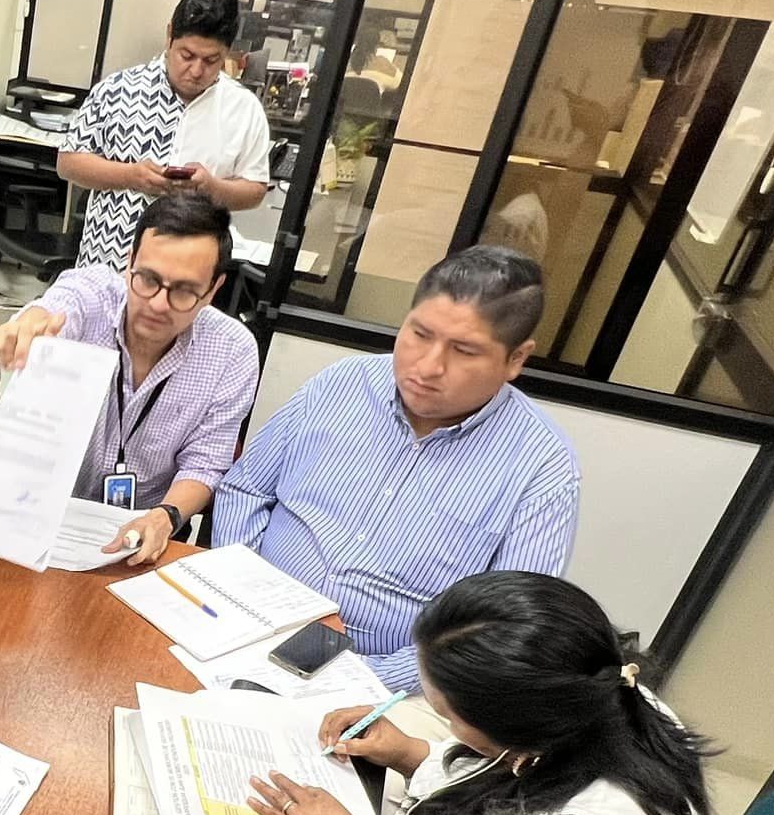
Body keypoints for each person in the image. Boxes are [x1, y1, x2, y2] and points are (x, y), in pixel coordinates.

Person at [244, 572, 713, 815]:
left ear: (515, 731)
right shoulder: (605, 690)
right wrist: (410, 753)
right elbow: (500, 772)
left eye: (447, 716)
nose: (448, 729)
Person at [212, 246, 580, 690]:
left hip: (385, 683)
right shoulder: (341, 384)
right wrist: (241, 595)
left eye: (464, 351)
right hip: (243, 626)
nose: (428, 366)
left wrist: (361, 682)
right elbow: (247, 490)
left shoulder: (543, 468)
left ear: (516, 359)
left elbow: (501, 629)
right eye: (420, 334)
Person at [0, 190, 259, 566]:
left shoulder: (232, 351)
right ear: (130, 261)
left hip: (143, 535)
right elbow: (60, 305)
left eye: (184, 290)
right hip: (43, 515)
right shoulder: (96, 297)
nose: (158, 304)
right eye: (148, 279)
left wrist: (165, 517)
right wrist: (31, 324)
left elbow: (205, 464)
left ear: (213, 289)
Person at [60, 0, 273, 272]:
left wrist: (211, 188)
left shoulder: (244, 108)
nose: (196, 70)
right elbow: (68, 163)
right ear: (170, 34)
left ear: (228, 52)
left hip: (188, 273)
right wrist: (131, 175)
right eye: (187, 55)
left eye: (211, 60)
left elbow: (255, 190)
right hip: (108, 262)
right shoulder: (118, 89)